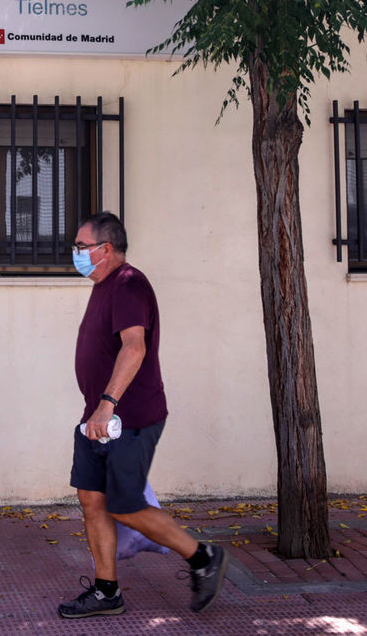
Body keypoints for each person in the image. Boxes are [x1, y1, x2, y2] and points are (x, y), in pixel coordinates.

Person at [58, 211, 229, 619]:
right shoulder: (103, 285)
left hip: (127, 417)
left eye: (82, 247)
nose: (76, 253)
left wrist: (107, 403)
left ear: (107, 249)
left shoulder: (128, 284)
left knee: (123, 503)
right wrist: (96, 410)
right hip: (98, 418)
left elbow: (133, 347)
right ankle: (106, 592)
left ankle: (203, 556)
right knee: (92, 498)